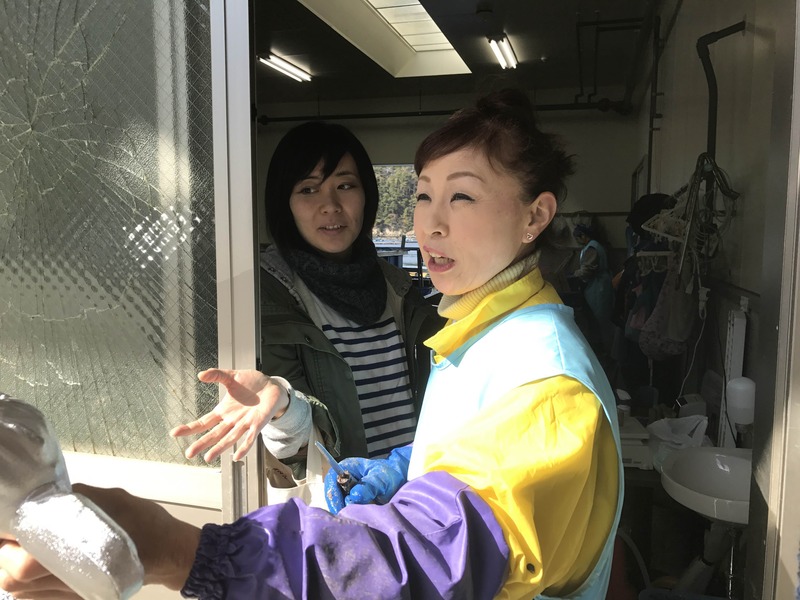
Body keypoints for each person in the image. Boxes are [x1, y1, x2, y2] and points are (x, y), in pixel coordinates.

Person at [0, 89, 623, 599]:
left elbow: (434, 558)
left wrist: (181, 550)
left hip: (359, 556)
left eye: (461, 196)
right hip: (341, 530)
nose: (430, 223)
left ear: (535, 216)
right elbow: (471, 448)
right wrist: (396, 468)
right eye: (424, 194)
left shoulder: (533, 372)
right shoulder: (479, 325)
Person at [170, 121, 442, 473]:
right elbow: (297, 448)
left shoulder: (398, 287)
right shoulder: (261, 297)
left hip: (418, 488)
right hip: (345, 498)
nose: (330, 205)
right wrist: (283, 408)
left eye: (345, 185)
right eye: (308, 189)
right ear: (285, 203)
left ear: (367, 194)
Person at [570, 222, 614, 357]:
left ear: (583, 236)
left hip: (598, 286)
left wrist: (574, 274)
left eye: (578, 238)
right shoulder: (594, 246)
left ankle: (606, 352)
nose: (577, 241)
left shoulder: (592, 248)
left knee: (600, 319)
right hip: (599, 284)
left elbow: (587, 270)